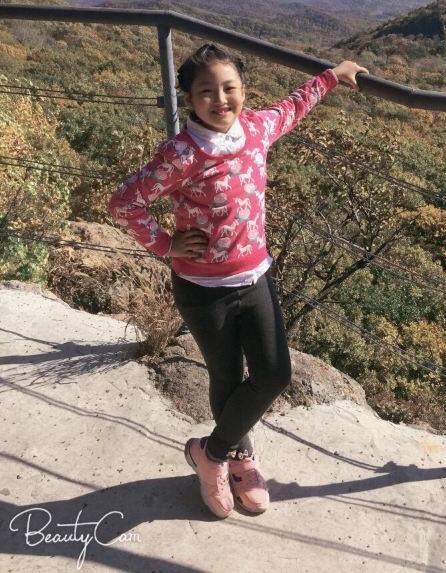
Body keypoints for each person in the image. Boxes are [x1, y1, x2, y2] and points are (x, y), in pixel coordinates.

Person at [108, 43, 368, 518]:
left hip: (255, 277)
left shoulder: (256, 129)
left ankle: (209, 454)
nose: (220, 99)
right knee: (227, 377)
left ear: (244, 90)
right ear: (190, 98)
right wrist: (165, 244)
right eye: (206, 91)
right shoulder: (181, 154)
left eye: (230, 88)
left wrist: (333, 76)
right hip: (202, 289)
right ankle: (239, 455)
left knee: (274, 373)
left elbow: (293, 107)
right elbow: (125, 202)